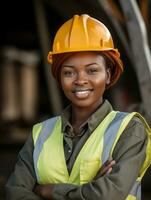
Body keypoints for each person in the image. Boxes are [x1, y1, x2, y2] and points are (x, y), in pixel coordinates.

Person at [5, 14, 151, 200]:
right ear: (59, 78)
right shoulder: (40, 134)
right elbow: (14, 192)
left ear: (107, 75)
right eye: (69, 72)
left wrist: (48, 191)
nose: (80, 80)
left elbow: (107, 195)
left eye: (92, 70)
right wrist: (88, 190)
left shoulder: (130, 130)